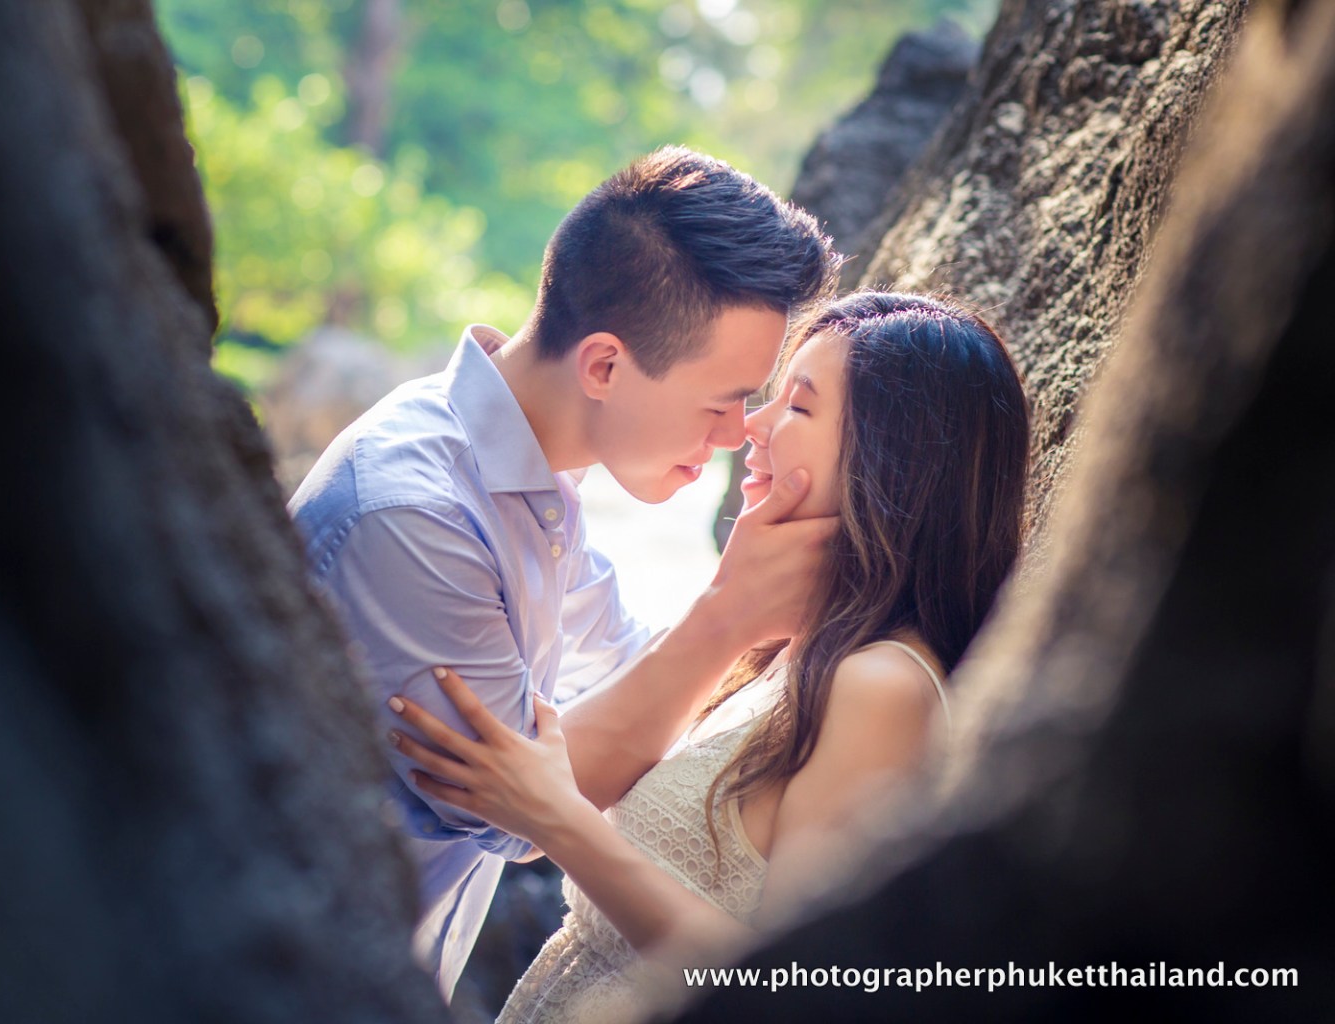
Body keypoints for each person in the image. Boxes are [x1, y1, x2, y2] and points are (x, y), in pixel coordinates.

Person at [288, 146, 840, 999]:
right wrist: (728, 615)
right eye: (721, 400)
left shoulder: (536, 480)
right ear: (606, 366)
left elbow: (622, 667)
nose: (738, 434)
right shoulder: (413, 514)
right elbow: (505, 803)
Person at [388, 292, 1032, 1022]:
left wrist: (558, 820)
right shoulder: (792, 651)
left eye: (799, 405)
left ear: (893, 458)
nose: (751, 427)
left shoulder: (880, 687)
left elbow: (800, 992)